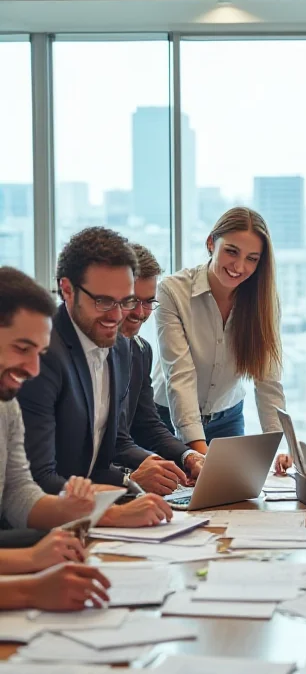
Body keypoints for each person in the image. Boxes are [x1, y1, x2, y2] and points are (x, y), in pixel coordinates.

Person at [16, 230, 175, 526]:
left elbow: (97, 466)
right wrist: (114, 511)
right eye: (103, 301)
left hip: (85, 518)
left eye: (125, 301)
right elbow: (37, 481)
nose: (117, 316)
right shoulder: (42, 354)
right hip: (39, 528)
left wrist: (133, 489)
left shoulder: (121, 346)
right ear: (67, 290)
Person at [0, 267, 110, 609]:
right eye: (22, 348)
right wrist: (30, 576)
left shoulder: (7, 407)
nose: (33, 369)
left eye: (40, 353)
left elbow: (16, 491)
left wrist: (67, 508)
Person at [153, 207, 286, 457]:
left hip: (228, 420)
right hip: (167, 419)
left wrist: (276, 445)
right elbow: (180, 377)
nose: (239, 266)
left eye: (252, 258)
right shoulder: (172, 292)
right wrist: (199, 452)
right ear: (211, 243)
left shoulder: (264, 303)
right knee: (173, 494)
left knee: (233, 495)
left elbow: (268, 381)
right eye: (231, 252)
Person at [115, 243, 204, 492]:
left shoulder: (140, 351)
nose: (140, 313)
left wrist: (189, 456)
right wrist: (129, 479)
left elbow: (147, 423)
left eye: (148, 302)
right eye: (132, 301)